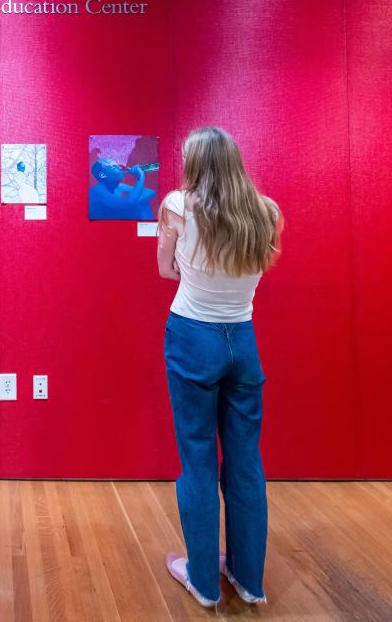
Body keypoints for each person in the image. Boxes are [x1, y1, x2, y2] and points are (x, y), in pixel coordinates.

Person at [156, 126, 283, 609]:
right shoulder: (265, 212)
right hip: (243, 341)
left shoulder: (177, 206)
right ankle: (249, 581)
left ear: (196, 163)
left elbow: (166, 269)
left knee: (198, 460)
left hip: (192, 337)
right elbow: (261, 265)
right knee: (246, 463)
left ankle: (204, 581)